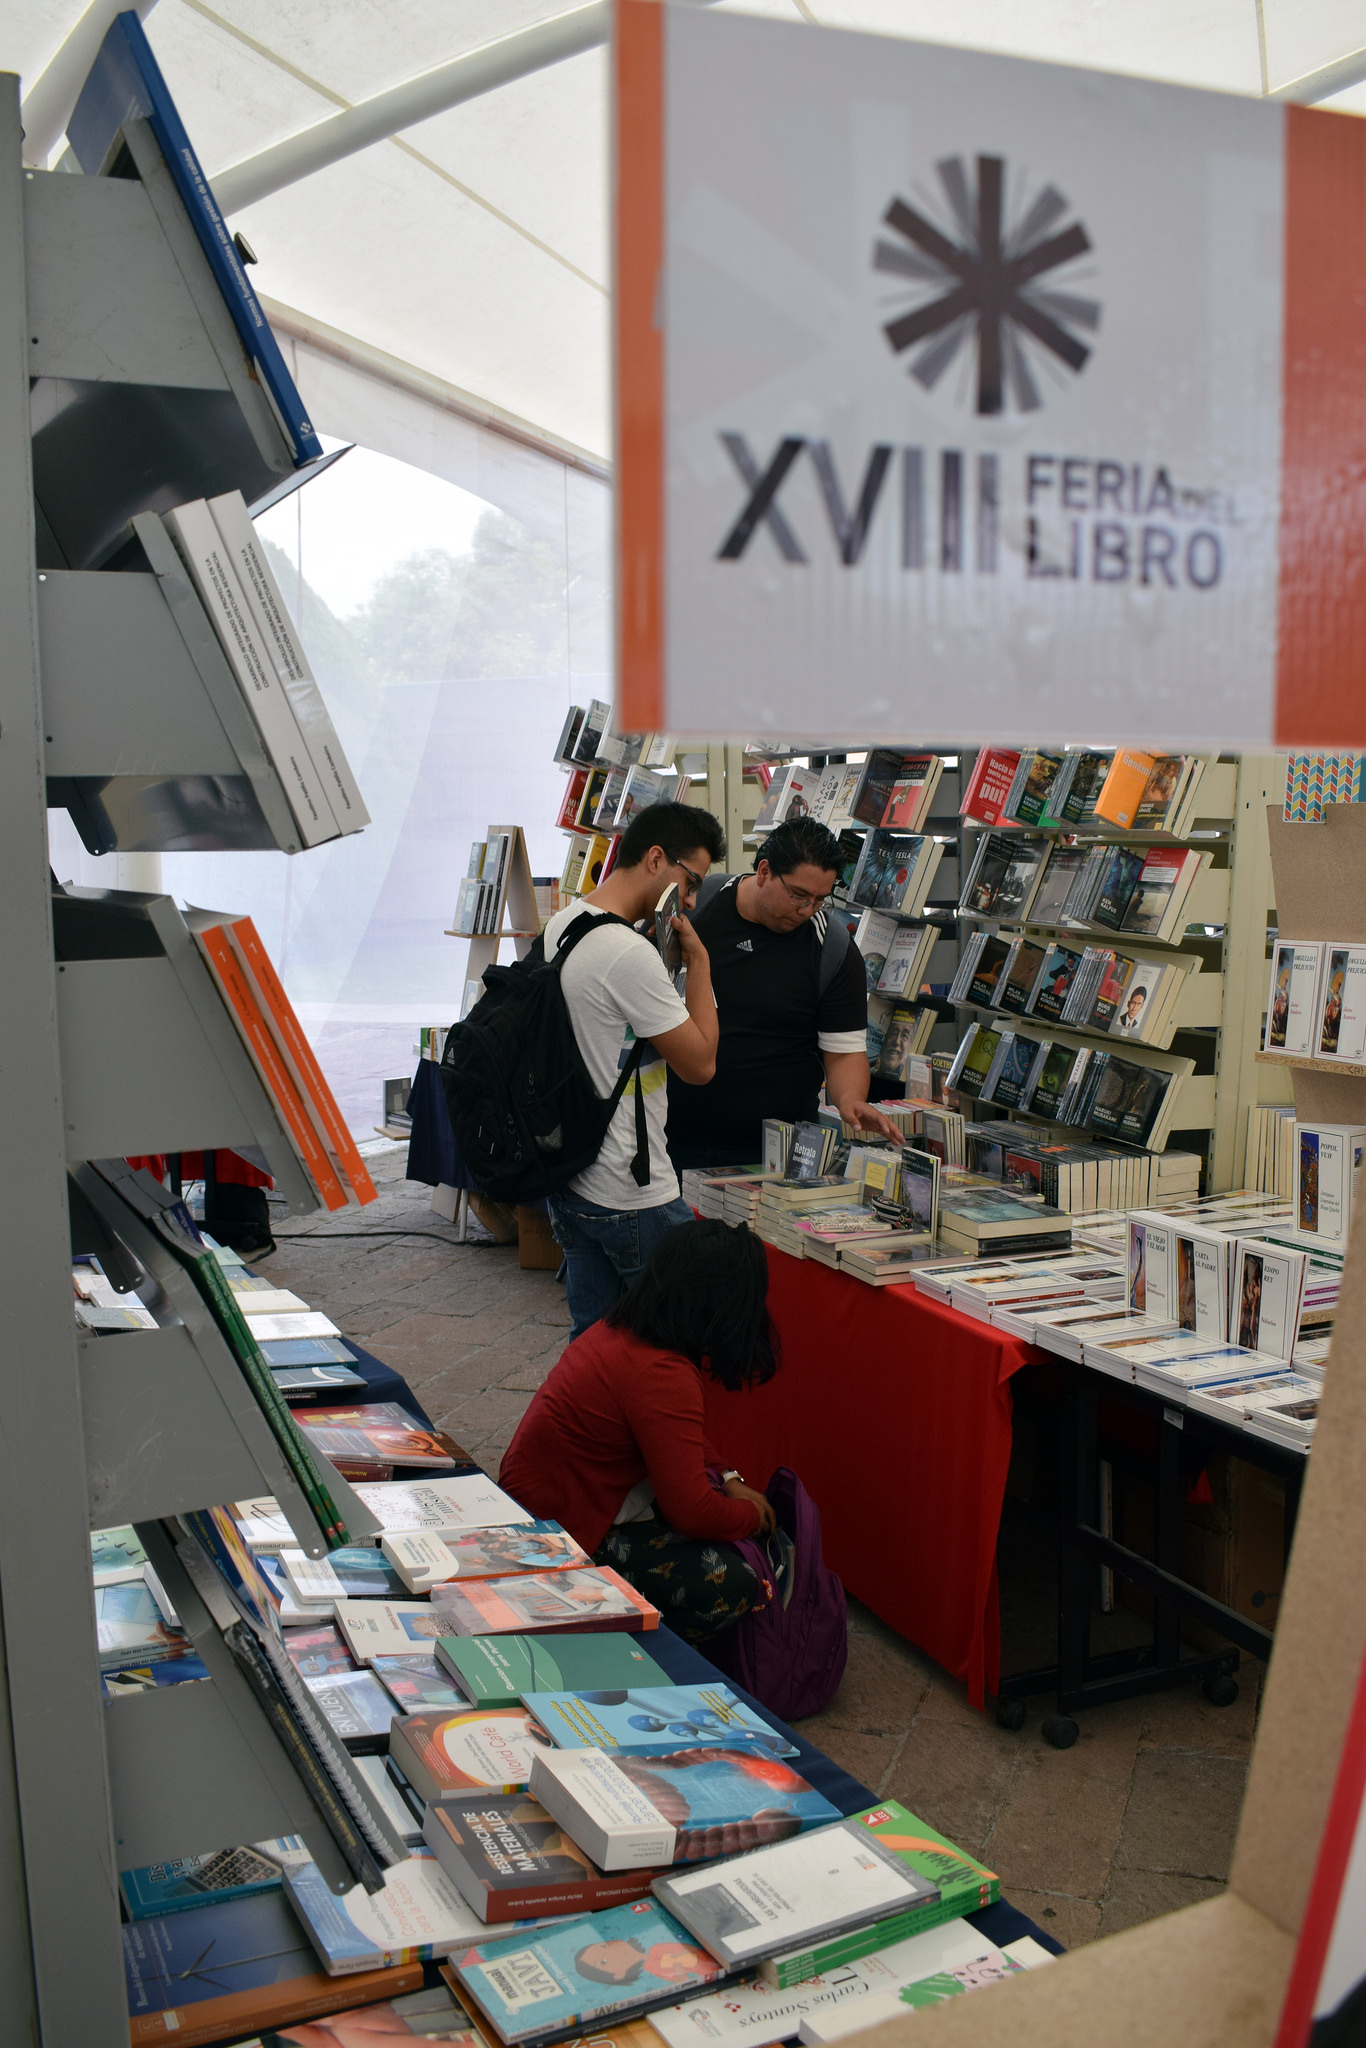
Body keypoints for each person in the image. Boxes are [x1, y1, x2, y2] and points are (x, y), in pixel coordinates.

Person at [500, 1219, 778, 1641]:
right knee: (731, 1584)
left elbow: (677, 1435)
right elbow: (693, 1512)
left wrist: (728, 1477)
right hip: (558, 1537)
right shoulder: (662, 1371)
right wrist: (754, 1517)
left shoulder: (627, 1328)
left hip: (545, 1505)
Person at [540, 800, 725, 1338]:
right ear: (656, 858)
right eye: (691, 882)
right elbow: (700, 1065)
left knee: (594, 1343)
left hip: (573, 1175)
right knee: (682, 1341)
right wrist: (700, 963)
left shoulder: (566, 923)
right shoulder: (627, 953)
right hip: (632, 1186)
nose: (691, 901)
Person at [666, 815, 903, 1169]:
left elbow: (843, 1052)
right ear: (764, 871)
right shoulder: (698, 907)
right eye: (798, 895)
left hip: (778, 1151)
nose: (806, 910)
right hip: (673, 1138)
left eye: (820, 900)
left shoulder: (832, 949)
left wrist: (851, 1100)